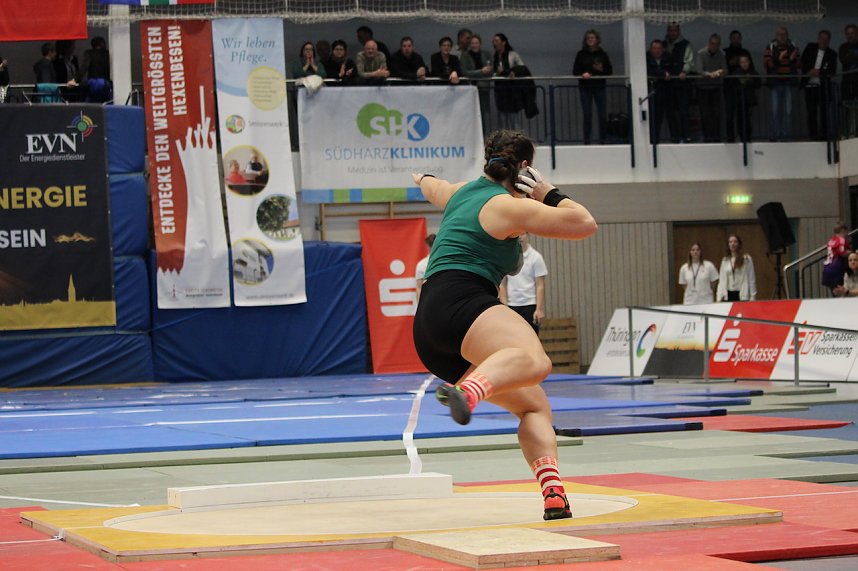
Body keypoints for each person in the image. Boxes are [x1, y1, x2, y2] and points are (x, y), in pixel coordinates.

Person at [411, 130, 597, 522]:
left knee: (535, 406)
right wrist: (546, 191)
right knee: (536, 361)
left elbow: (433, 186)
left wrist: (421, 177)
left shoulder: (460, 192)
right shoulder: (510, 206)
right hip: (463, 299)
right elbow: (584, 223)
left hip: (429, 325)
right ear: (525, 168)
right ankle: (470, 389)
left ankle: (554, 493)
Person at [499, 233, 548, 333]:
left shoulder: (536, 257)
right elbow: (502, 284)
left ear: (528, 235)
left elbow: (540, 285)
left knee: (531, 337)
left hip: (529, 305)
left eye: (522, 234)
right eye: (517, 234)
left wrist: (538, 309)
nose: (520, 237)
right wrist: (504, 305)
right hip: (512, 305)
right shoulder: (508, 258)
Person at [573, 29, 613, 145]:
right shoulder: (581, 54)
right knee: (587, 114)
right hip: (585, 87)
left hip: (599, 86)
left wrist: (601, 70)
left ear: (597, 40)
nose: (590, 40)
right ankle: (587, 141)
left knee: (602, 115)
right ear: (585, 40)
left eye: (592, 38)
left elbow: (609, 71)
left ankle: (603, 140)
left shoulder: (602, 54)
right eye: (588, 38)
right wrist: (583, 74)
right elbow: (575, 71)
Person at [763, 27, 801, 141]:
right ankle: (774, 136)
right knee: (774, 112)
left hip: (788, 82)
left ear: (787, 35)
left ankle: (785, 136)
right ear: (776, 35)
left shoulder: (793, 47)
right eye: (780, 34)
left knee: (788, 112)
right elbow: (768, 65)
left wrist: (792, 59)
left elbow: (799, 65)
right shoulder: (769, 47)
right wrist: (778, 59)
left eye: (784, 34)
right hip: (775, 83)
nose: (782, 37)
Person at [801, 30, 838, 141]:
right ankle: (813, 135)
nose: (823, 41)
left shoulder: (832, 54)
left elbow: (832, 71)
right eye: (821, 38)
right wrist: (809, 71)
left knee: (824, 113)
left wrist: (819, 72)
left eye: (826, 39)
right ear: (818, 38)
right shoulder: (810, 47)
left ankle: (824, 135)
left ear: (829, 41)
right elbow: (803, 62)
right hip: (810, 86)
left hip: (823, 87)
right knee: (811, 112)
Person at [664, 22, 694, 143]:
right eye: (670, 30)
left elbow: (689, 62)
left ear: (679, 31)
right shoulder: (663, 44)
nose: (673, 32)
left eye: (675, 30)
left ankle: (685, 136)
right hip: (668, 84)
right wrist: (663, 72)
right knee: (670, 112)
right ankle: (674, 137)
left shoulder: (686, 44)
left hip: (681, 83)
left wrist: (684, 71)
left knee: (683, 111)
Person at [492, 34, 527, 129]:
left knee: (513, 118)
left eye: (496, 41)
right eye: (493, 41)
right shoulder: (494, 57)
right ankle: (505, 142)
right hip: (499, 91)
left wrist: (513, 72)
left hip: (512, 91)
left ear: (503, 42)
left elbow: (522, 67)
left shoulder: (513, 54)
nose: (494, 43)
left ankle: (516, 141)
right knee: (502, 118)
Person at [696, 34, 727, 142]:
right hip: (703, 87)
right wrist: (709, 74)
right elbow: (699, 70)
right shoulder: (701, 53)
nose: (714, 46)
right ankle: (707, 138)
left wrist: (719, 73)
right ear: (709, 43)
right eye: (713, 44)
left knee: (717, 114)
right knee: (705, 115)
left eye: (717, 45)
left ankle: (716, 137)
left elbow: (725, 69)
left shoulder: (721, 54)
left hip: (716, 87)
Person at [460, 34, 494, 129]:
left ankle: (483, 136)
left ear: (480, 44)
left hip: (484, 88)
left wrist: (485, 71)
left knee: (483, 113)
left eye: (476, 43)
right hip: (470, 88)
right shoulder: (465, 55)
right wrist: (481, 71)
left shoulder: (486, 54)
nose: (474, 45)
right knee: (471, 113)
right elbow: (465, 72)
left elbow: (491, 70)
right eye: (472, 43)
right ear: (470, 45)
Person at [725, 54, 761, 142]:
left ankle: (748, 138)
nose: (744, 64)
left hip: (749, 101)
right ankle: (742, 138)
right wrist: (747, 80)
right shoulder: (736, 72)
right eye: (742, 62)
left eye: (746, 62)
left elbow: (757, 83)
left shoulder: (753, 72)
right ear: (739, 63)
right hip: (739, 101)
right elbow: (735, 83)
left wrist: (747, 80)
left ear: (749, 62)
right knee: (741, 121)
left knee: (748, 121)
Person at [646, 39, 673, 144]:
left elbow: (673, 69)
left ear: (663, 49)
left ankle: (676, 139)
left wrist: (666, 73)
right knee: (654, 118)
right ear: (651, 49)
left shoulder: (668, 57)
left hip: (666, 90)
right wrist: (662, 73)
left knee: (670, 116)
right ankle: (653, 140)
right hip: (652, 90)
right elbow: (648, 70)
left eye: (659, 48)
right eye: (654, 48)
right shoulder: (646, 57)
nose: (657, 51)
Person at [717, 234, 757, 301]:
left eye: (735, 241)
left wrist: (753, 296)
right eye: (730, 242)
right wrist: (719, 296)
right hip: (728, 294)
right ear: (728, 245)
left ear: (739, 244)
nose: (733, 244)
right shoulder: (725, 260)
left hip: (742, 294)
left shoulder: (746, 259)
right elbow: (721, 280)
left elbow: (751, 278)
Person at [840, 24, 858, 135]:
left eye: (852, 33)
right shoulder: (843, 47)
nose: (850, 36)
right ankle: (851, 133)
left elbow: (848, 58)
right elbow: (844, 60)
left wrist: (851, 55)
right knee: (849, 110)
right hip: (848, 85)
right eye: (848, 34)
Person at [822, 222, 851, 292]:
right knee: (840, 291)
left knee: (834, 291)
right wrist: (851, 252)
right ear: (843, 230)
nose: (847, 234)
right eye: (847, 232)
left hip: (828, 269)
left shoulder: (831, 240)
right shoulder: (841, 240)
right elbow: (842, 253)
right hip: (837, 269)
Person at [414, 233, 436, 301]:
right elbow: (419, 287)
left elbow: (419, 287)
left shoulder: (421, 264)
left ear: (427, 246)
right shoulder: (422, 264)